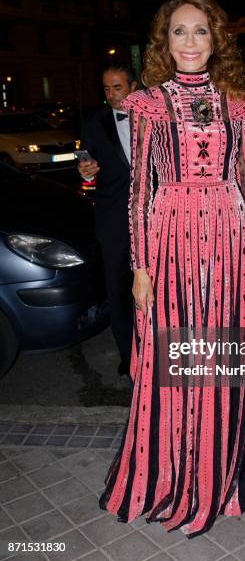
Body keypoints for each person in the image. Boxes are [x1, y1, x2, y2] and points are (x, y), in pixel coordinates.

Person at [99, 0, 245, 538]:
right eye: (180, 31)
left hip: (230, 241)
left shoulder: (239, 102)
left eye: (201, 30)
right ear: (164, 41)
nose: (191, 41)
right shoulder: (148, 103)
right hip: (171, 238)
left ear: (216, 38)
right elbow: (139, 191)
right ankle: (176, 472)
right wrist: (140, 267)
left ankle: (227, 468)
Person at [78, 63, 137, 376]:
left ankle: (160, 350)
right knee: (116, 288)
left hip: (152, 216)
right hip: (112, 216)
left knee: (158, 286)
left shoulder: (153, 118)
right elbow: (86, 165)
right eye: (106, 88)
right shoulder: (93, 122)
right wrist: (85, 172)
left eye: (117, 87)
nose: (112, 94)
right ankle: (129, 355)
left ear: (133, 86)